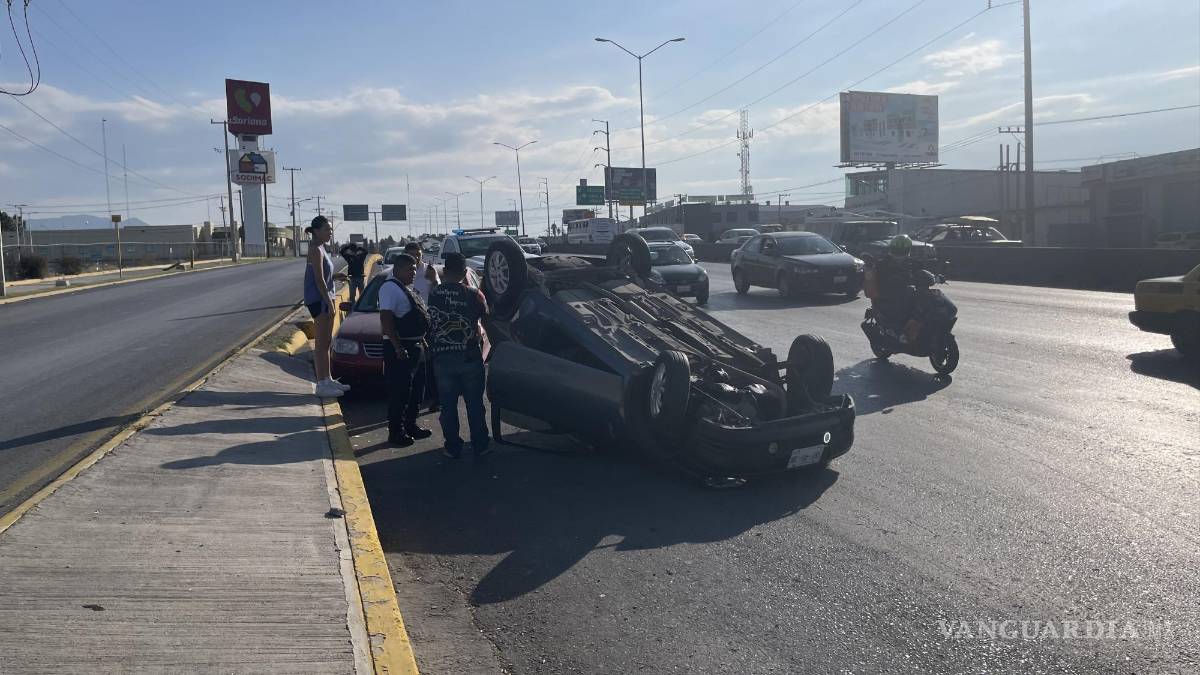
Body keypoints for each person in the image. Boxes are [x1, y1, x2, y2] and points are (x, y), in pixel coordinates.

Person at [427, 253, 490, 458]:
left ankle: (452, 447)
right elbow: (487, 317)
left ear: (444, 271)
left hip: (442, 359)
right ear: (465, 272)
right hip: (469, 357)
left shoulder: (434, 293)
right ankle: (480, 445)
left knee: (448, 406)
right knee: (474, 405)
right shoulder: (474, 294)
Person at [378, 253, 433, 447]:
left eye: (415, 269)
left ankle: (411, 425)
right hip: (401, 348)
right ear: (398, 269)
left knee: (416, 391)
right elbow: (386, 318)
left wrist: (422, 341)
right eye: (410, 269)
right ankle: (396, 433)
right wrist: (397, 346)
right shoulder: (389, 288)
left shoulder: (406, 289)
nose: (413, 273)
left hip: (415, 345)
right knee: (400, 392)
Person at [304, 216, 349, 397]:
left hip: (325, 298)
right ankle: (322, 384)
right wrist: (329, 303)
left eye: (330, 230)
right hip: (319, 300)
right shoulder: (315, 249)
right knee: (322, 344)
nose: (330, 232)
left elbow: (325, 276)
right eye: (327, 229)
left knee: (327, 342)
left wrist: (336, 278)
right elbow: (318, 280)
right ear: (316, 231)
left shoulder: (322, 248)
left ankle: (328, 379)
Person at [871, 235, 918, 341]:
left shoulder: (911, 262)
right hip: (888, 295)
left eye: (903, 250)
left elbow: (923, 269)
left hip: (905, 292)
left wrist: (936, 276)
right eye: (897, 250)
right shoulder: (883, 263)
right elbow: (879, 275)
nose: (900, 253)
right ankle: (898, 331)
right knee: (909, 292)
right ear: (892, 249)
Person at [339, 241, 369, 306]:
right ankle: (361, 306)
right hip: (357, 278)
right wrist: (359, 248)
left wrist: (347, 247)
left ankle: (354, 308)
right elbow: (366, 251)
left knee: (353, 296)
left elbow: (341, 252)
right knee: (361, 295)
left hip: (354, 278)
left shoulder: (349, 257)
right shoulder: (360, 256)